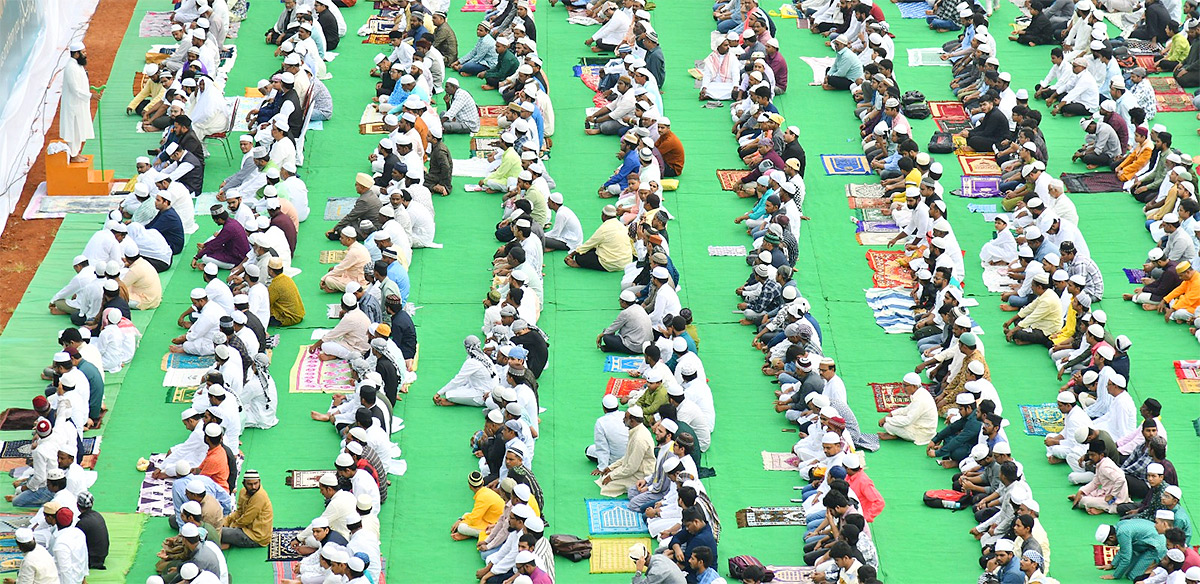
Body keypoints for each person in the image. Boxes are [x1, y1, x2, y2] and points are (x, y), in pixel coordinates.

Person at [593, 406, 656, 497]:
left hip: (642, 473)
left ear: (632, 421)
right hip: (633, 467)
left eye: (625, 417)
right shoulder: (636, 430)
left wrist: (612, 476)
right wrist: (611, 467)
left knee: (608, 484)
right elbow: (627, 455)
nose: (623, 419)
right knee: (606, 476)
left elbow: (631, 468)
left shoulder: (639, 439)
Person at [877, 373, 937, 444]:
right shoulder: (920, 392)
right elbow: (907, 409)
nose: (903, 388)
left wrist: (887, 419)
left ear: (914, 386)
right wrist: (891, 414)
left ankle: (896, 435)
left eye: (905, 385)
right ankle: (896, 433)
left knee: (887, 425)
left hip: (923, 433)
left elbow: (907, 421)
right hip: (918, 424)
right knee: (894, 418)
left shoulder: (919, 400)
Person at [60, 43, 96, 163]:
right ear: (76, 54)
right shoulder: (71, 68)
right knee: (73, 129)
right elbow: (74, 89)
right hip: (73, 104)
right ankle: (73, 154)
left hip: (80, 103)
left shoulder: (78, 65)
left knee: (79, 128)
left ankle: (76, 152)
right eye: (83, 52)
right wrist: (91, 96)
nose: (85, 55)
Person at [219, 470, 273, 549]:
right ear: (244, 483)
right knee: (219, 524)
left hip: (256, 537)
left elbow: (247, 519)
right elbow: (239, 512)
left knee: (219, 532)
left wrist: (231, 526)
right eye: (250, 484)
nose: (253, 487)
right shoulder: (243, 492)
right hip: (245, 527)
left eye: (255, 483)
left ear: (259, 482)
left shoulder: (260, 496)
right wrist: (227, 520)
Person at [452, 471, 505, 540]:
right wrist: (461, 519)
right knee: (466, 514)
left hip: (495, 524)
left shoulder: (482, 497)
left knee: (461, 527)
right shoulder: (486, 491)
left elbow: (474, 519)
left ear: (470, 486)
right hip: (492, 519)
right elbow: (476, 515)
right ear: (482, 482)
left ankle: (474, 534)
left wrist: (460, 521)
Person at [587, 394, 630, 468]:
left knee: (588, 450)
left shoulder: (601, 422)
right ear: (618, 406)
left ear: (604, 408)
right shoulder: (625, 415)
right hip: (632, 456)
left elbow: (602, 447)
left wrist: (602, 467)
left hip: (615, 460)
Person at [74, 491, 108, 569]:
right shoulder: (97, 515)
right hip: (102, 555)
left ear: (77, 505)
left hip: (93, 558)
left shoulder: (82, 523)